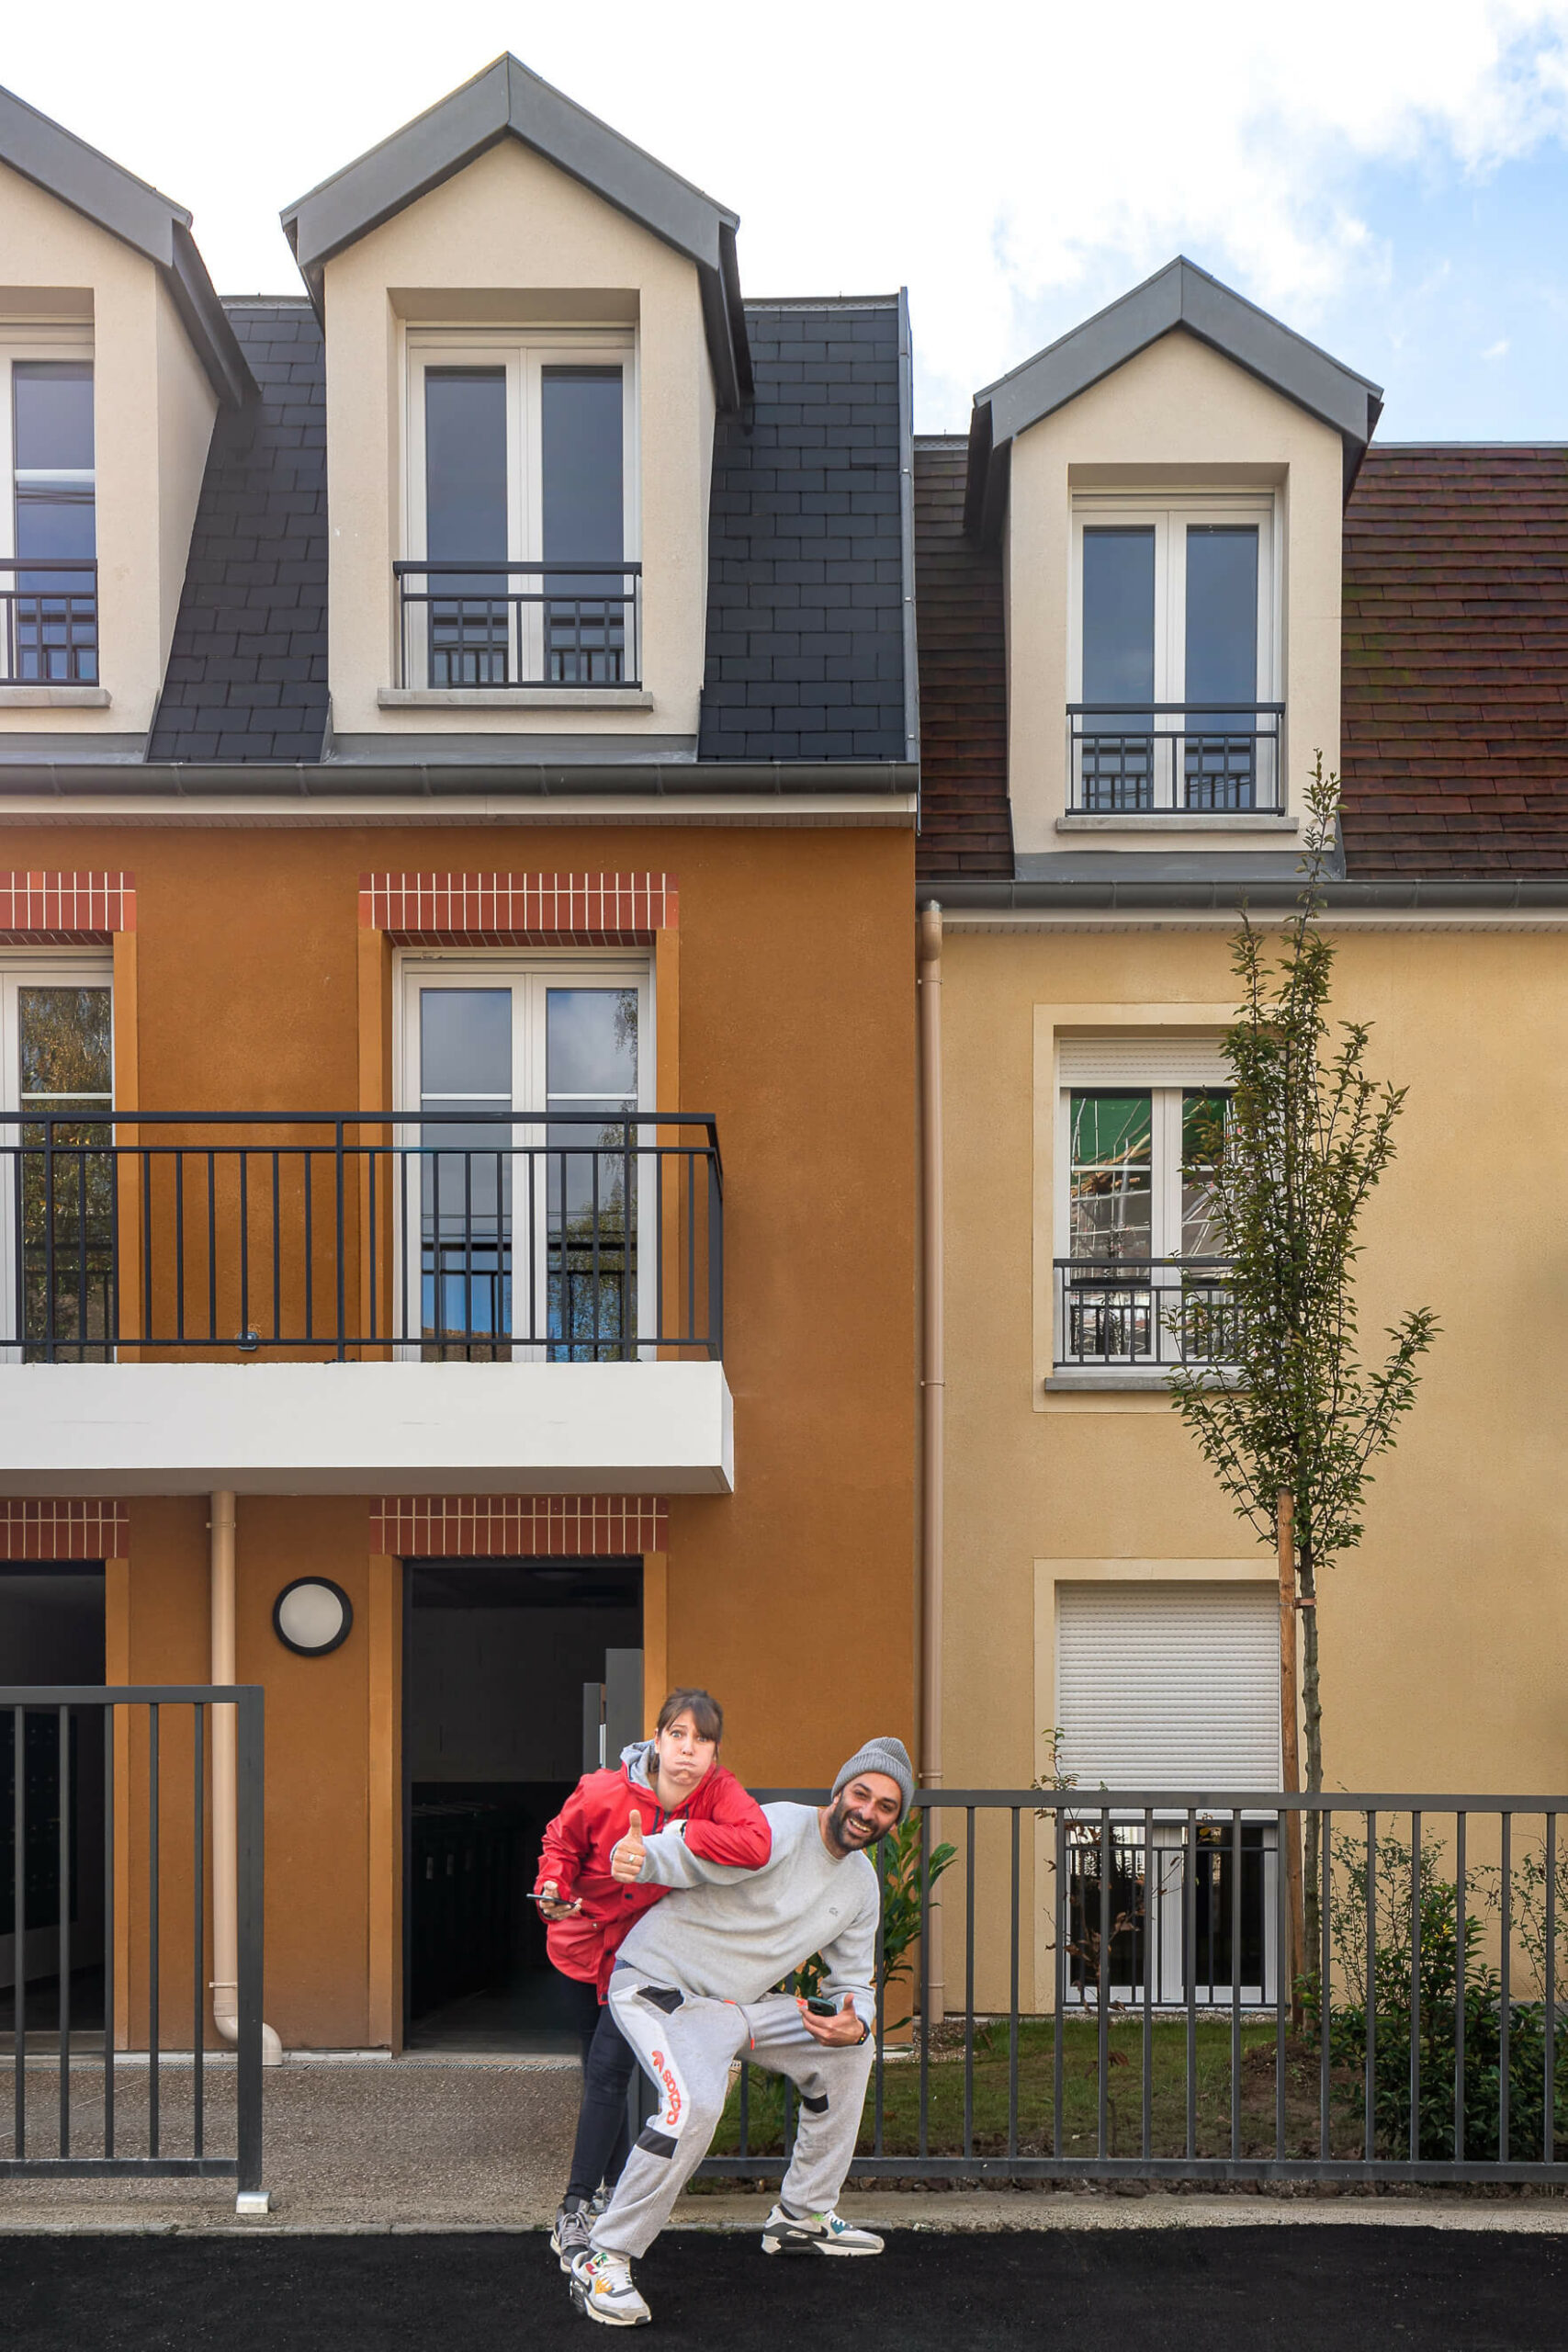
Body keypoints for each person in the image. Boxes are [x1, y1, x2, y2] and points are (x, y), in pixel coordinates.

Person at [568, 1736, 914, 2330]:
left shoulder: (860, 1885)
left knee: (851, 2051)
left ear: (893, 1820)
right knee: (693, 2106)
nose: (868, 1812)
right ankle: (603, 2255)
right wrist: (642, 1856)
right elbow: (694, 1848)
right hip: (661, 1987)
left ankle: (802, 2217)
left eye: (886, 1806)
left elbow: (853, 1981)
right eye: (862, 1794)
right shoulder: (777, 1828)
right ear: (839, 1791)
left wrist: (853, 2017)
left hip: (737, 2007)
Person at [534, 1689, 771, 2271]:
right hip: (580, 1946)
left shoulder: (718, 1793)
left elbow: (757, 1842)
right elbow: (560, 1844)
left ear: (715, 1751)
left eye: (702, 1740)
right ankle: (613, 2192)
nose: (688, 1750)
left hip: (642, 1959)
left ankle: (574, 2209)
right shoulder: (602, 1790)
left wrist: (684, 1836)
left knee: (609, 2072)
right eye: (678, 1735)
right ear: (658, 1740)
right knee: (600, 2076)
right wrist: (552, 1889)